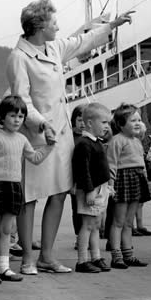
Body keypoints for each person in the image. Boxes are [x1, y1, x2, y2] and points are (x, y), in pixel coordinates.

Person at [6, 0, 133, 275]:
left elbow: (82, 43)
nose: (58, 27)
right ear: (39, 26)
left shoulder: (53, 48)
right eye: (53, 22)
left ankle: (47, 257)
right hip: (37, 136)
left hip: (61, 134)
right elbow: (21, 100)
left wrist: (112, 25)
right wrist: (41, 124)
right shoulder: (19, 58)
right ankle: (28, 258)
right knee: (29, 197)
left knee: (60, 192)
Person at [0, 95, 54, 284]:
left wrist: (50, 146)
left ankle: (4, 268)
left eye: (21, 117)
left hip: (13, 187)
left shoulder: (22, 139)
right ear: (2, 118)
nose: (17, 120)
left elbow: (35, 158)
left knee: (6, 230)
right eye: (13, 116)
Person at [106, 103, 150, 269]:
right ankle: (116, 255)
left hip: (136, 180)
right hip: (123, 180)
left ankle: (128, 254)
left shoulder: (137, 141)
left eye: (139, 120)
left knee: (129, 222)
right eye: (133, 120)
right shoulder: (117, 141)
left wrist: (144, 178)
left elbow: (141, 162)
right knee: (118, 220)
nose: (137, 123)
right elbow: (111, 163)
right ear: (121, 124)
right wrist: (111, 184)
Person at [72, 103, 114, 273]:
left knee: (96, 224)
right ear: (89, 123)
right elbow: (83, 169)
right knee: (87, 225)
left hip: (100, 188)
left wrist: (108, 186)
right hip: (91, 190)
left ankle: (96, 256)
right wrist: (89, 190)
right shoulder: (84, 144)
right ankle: (82, 260)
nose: (107, 126)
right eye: (103, 122)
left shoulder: (97, 142)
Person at [69, 105, 85, 247]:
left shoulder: (90, 137)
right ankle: (79, 236)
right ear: (74, 120)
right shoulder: (70, 137)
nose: (83, 124)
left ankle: (87, 236)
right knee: (77, 210)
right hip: (75, 180)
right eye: (80, 120)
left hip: (90, 180)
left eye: (85, 120)